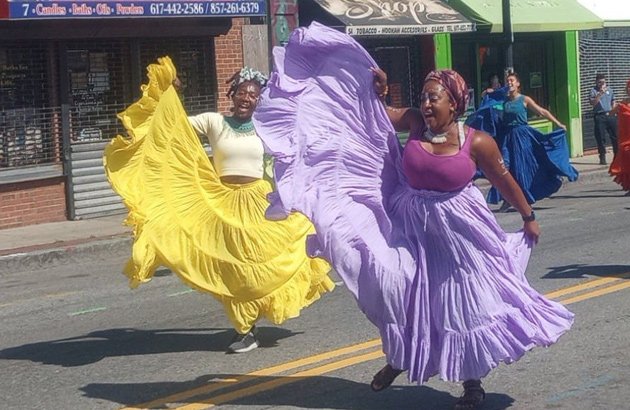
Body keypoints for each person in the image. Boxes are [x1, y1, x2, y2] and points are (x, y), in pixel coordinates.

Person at [253, 22, 573, 410]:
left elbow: (503, 179)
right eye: (423, 96)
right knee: (400, 289)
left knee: (459, 304)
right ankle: (401, 358)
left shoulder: (477, 142)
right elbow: (375, 114)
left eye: (433, 98)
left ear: (454, 103)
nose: (425, 103)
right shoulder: (416, 124)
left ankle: (472, 385)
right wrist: (379, 90)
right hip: (409, 221)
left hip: (459, 233)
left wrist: (528, 215)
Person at [104, 57, 334, 354]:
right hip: (221, 202)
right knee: (230, 270)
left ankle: (256, 312)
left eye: (253, 95)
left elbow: (300, 119)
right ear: (232, 94)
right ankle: (246, 330)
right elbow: (172, 127)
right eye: (242, 92)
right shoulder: (214, 122)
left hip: (258, 201)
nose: (246, 98)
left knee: (267, 261)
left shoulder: (268, 126)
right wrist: (172, 93)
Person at [475, 72, 578, 212]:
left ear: (518, 84)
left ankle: (522, 199)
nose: (509, 83)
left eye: (512, 81)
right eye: (507, 81)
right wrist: (490, 92)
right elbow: (485, 99)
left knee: (522, 168)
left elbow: (542, 111)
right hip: (507, 138)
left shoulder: (524, 99)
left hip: (522, 136)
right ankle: (507, 198)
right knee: (504, 167)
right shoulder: (503, 100)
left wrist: (558, 124)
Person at [590, 73, 618, 165]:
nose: (601, 84)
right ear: (596, 82)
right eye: (599, 82)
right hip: (599, 116)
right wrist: (600, 94)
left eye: (603, 82)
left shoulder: (610, 90)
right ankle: (602, 157)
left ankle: (617, 157)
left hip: (610, 115)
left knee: (615, 136)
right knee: (600, 138)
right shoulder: (593, 91)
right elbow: (593, 103)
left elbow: (613, 101)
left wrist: (613, 111)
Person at [609, 79, 630, 193]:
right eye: (628, 87)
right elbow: (610, 113)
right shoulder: (622, 104)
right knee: (626, 163)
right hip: (625, 139)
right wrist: (616, 107)